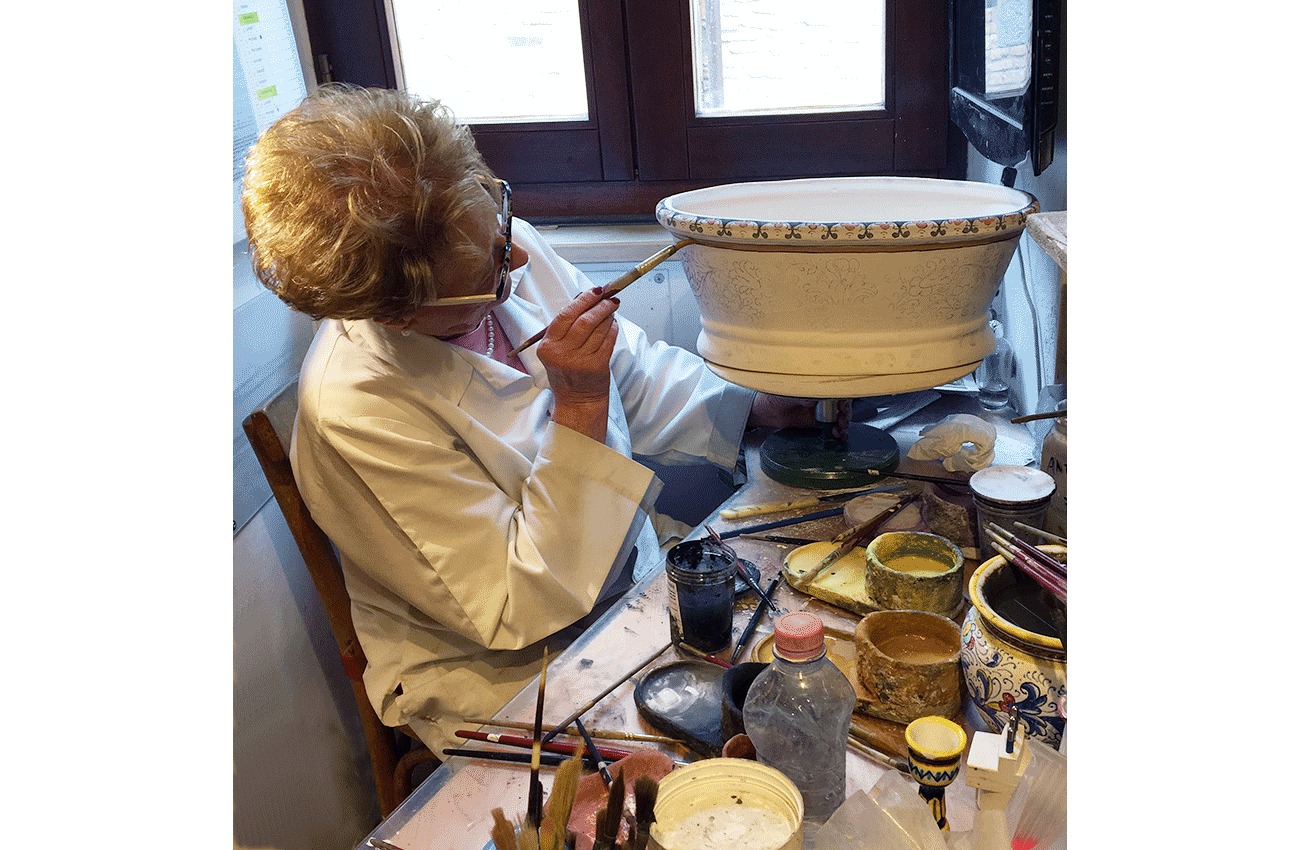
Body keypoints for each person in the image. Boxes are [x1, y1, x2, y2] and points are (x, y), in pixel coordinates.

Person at [242, 84, 846, 755]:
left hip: (625, 580)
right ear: (399, 314)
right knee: (707, 776)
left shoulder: (492, 246)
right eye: (494, 270)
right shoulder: (358, 404)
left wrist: (753, 406)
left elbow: (632, 373)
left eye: (500, 227)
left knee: (801, 665)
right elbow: (519, 600)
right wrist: (580, 406)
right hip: (505, 668)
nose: (521, 259)